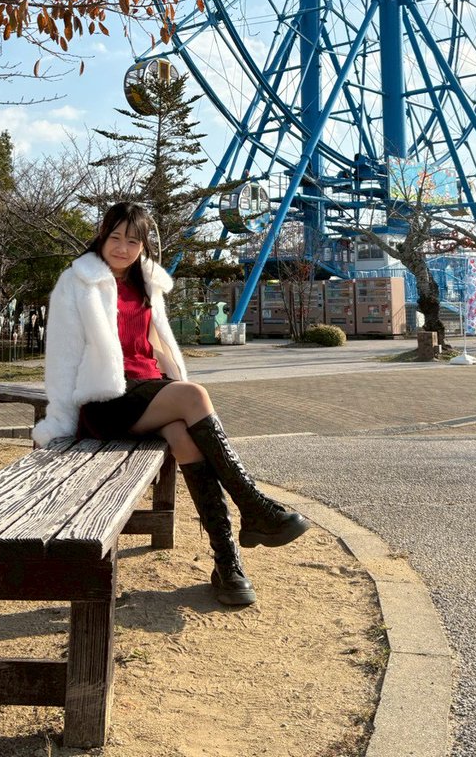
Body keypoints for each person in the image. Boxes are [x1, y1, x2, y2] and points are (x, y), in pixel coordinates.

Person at [33, 201, 310, 608]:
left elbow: (157, 346)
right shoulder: (77, 283)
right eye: (115, 237)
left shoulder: (146, 282)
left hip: (147, 392)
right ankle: (254, 508)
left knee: (184, 436)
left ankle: (227, 562)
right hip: (105, 400)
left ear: (143, 245)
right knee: (193, 395)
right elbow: (61, 358)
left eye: (133, 240)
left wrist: (169, 379)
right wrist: (58, 426)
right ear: (102, 236)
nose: (123, 248)